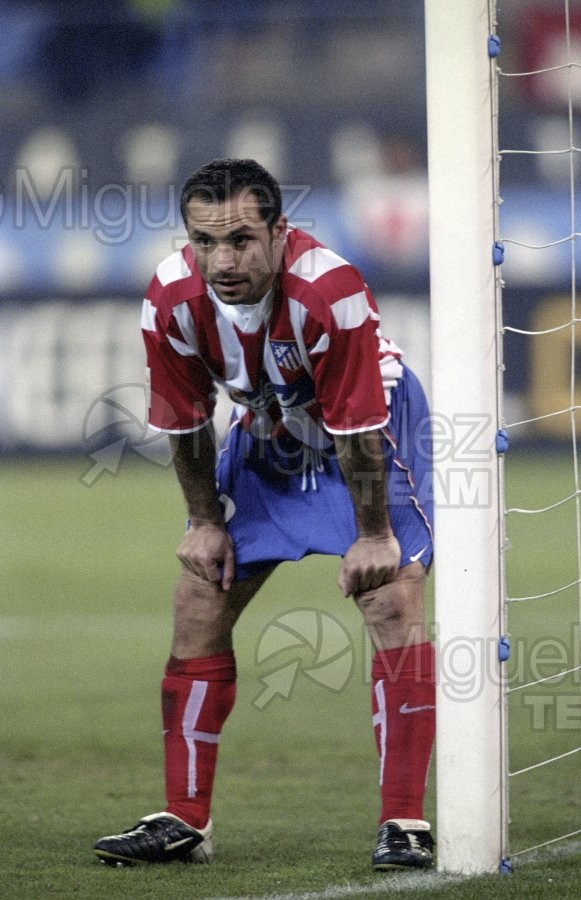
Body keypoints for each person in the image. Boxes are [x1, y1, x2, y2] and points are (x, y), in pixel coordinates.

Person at [93, 158, 436, 871]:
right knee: (198, 595)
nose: (223, 260)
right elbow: (184, 422)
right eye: (204, 242)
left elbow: (356, 431)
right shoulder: (171, 299)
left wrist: (372, 535)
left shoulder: (327, 293)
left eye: (242, 240)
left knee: (389, 598)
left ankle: (404, 823)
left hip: (367, 433)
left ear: (281, 233)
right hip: (271, 432)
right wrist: (203, 520)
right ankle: (184, 821)